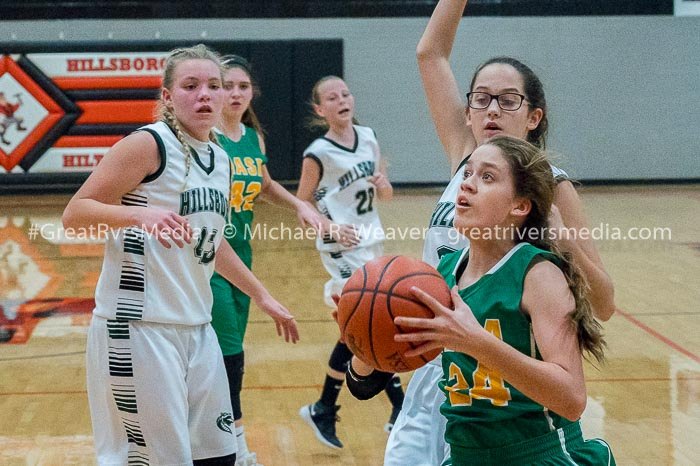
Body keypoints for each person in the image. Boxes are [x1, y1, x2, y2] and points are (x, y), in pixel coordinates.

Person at [345, 1, 616, 464]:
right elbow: (430, 54)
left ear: (533, 117)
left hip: (504, 380)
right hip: (438, 364)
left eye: (508, 100)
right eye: (481, 98)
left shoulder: (552, 187)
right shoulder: (465, 159)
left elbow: (604, 305)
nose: (492, 109)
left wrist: (562, 239)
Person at [62, 44, 299, 466]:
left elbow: (212, 241)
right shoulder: (148, 144)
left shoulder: (221, 157)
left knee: (220, 457)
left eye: (214, 86)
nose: (205, 94)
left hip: (197, 327)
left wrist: (262, 295)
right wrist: (140, 215)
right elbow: (75, 214)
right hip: (138, 328)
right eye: (190, 86)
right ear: (168, 96)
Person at [394, 135, 615, 466]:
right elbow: (398, 351)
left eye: (487, 177)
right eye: (467, 173)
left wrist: (477, 342)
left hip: (538, 456)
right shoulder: (445, 271)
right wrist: (363, 341)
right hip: (465, 458)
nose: (467, 184)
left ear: (520, 206)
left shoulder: (536, 273)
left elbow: (571, 399)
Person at [210, 54, 322, 466]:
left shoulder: (252, 137)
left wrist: (299, 205)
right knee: (229, 355)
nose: (235, 93)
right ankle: (236, 448)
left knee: (226, 352)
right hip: (208, 257)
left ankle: (208, 436)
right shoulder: (206, 138)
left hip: (242, 252)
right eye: (227, 86)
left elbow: (266, 183)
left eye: (243, 86)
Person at [295, 76, 404, 450]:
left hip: (371, 240)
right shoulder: (318, 152)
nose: (341, 100)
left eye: (345, 93)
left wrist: (383, 184)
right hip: (340, 247)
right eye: (331, 97)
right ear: (319, 109)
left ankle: (325, 408)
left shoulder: (368, 137)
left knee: (366, 325)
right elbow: (302, 203)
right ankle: (397, 406)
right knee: (367, 321)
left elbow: (384, 194)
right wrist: (331, 228)